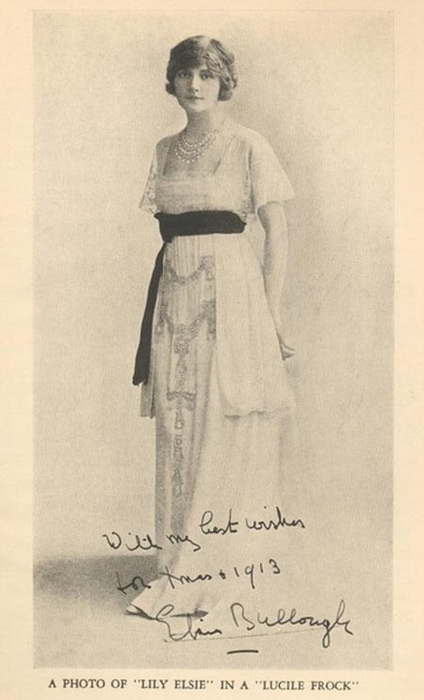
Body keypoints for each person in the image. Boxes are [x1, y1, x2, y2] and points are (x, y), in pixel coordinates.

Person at [128, 35, 297, 635]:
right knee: (179, 422)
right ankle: (176, 564)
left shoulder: (248, 144)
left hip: (233, 295)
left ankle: (222, 568)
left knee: (225, 419)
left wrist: (272, 315)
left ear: (224, 81)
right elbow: (170, 230)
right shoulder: (163, 150)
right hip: (175, 296)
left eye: (205, 74)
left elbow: (278, 233)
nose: (194, 84)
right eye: (184, 74)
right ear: (171, 82)